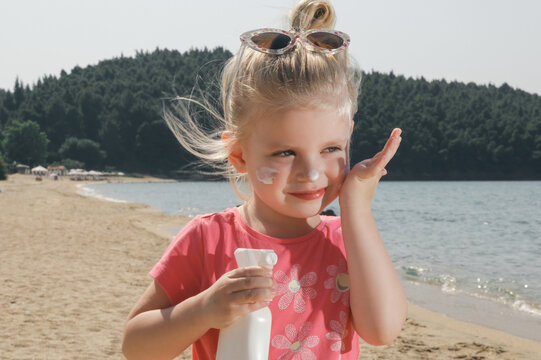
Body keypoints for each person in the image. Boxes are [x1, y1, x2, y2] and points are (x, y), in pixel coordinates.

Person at [122, 1, 407, 359]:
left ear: (349, 138)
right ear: (240, 154)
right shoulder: (208, 239)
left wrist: (356, 208)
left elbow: (382, 330)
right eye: (285, 153)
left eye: (331, 148)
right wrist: (203, 310)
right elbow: (136, 347)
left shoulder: (347, 240)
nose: (312, 172)